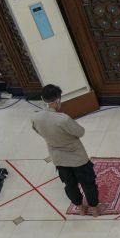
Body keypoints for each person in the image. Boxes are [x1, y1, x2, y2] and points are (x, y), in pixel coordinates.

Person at [31, 83, 98, 216]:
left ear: (42, 99)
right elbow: (80, 132)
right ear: (57, 101)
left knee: (70, 184)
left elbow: (38, 131)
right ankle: (94, 208)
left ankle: (80, 208)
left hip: (58, 158)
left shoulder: (35, 118)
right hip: (77, 158)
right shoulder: (63, 119)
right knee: (88, 183)